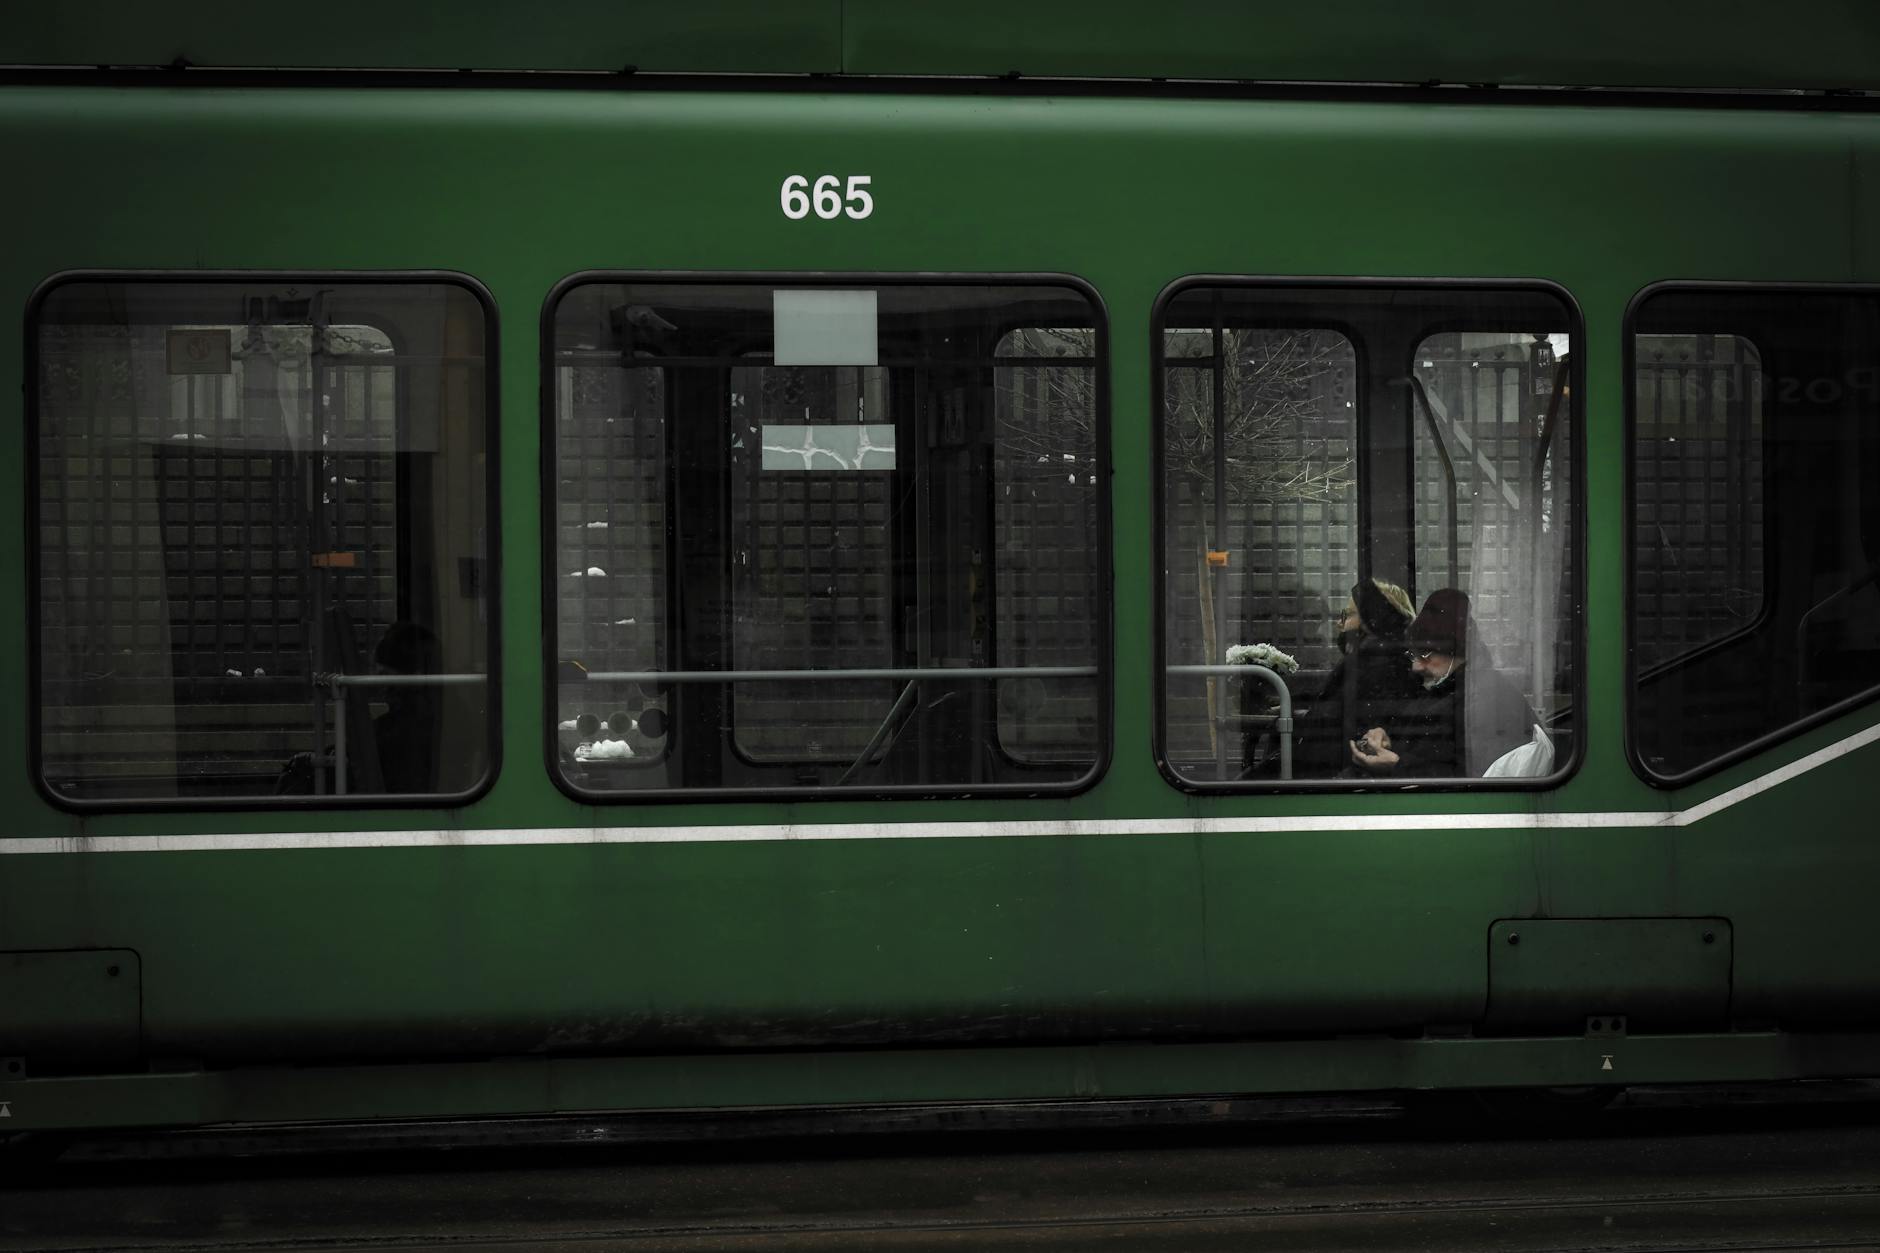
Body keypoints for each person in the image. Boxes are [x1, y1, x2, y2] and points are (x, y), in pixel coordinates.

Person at [1348, 588, 1536, 778]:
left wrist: (1396, 766)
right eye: (1413, 654)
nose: (1416, 666)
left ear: (1455, 651)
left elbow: (1472, 779)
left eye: (1425, 655)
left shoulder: (1487, 704)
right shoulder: (1444, 691)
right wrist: (1387, 742)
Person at [1292, 578, 1422, 778]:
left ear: (1372, 621)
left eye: (1348, 615)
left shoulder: (1374, 666)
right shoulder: (1379, 661)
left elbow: (1345, 722)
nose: (1339, 623)